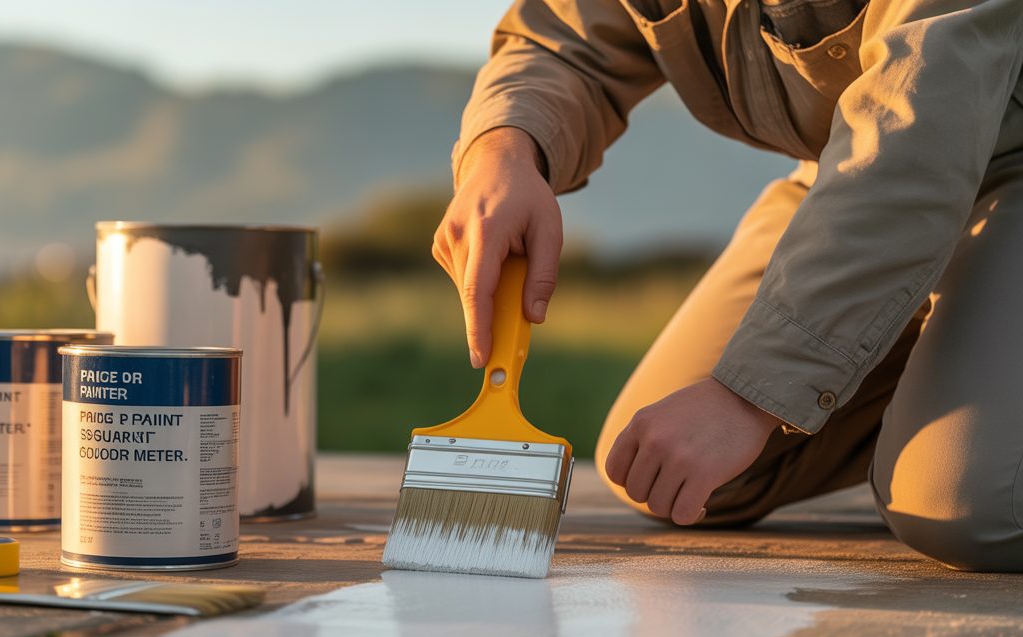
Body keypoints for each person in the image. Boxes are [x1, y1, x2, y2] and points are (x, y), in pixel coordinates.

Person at [435, 0, 1023, 570]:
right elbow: (559, 37)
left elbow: (917, 133)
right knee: (664, 471)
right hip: (845, 173)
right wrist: (503, 147)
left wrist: (750, 395)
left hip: (950, 165)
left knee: (971, 507)